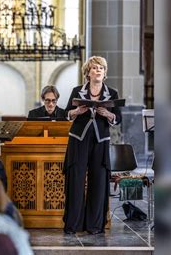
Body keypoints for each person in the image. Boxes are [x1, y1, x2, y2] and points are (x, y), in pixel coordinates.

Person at [62, 56, 122, 235]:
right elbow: (66, 114)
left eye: (101, 68)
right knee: (76, 181)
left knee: (99, 181)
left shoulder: (112, 93)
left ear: (105, 73)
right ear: (87, 72)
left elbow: (118, 118)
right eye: (94, 68)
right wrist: (76, 111)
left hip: (100, 141)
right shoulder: (77, 91)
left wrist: (108, 114)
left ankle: (94, 226)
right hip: (78, 139)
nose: (98, 71)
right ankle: (73, 224)